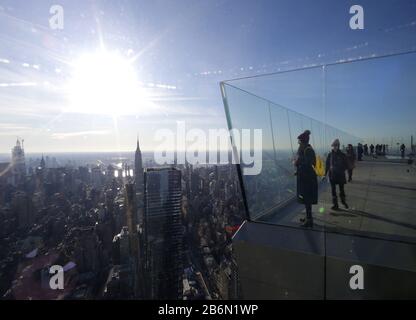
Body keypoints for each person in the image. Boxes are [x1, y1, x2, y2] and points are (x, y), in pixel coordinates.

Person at [295, 130, 318, 227]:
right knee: (306, 199)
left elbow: (308, 165)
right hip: (306, 178)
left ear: (304, 141)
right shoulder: (307, 149)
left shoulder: (307, 150)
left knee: (307, 199)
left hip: (307, 179)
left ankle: (309, 220)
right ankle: (308, 217)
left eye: (300, 141)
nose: (299, 143)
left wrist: (298, 167)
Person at [325, 139, 349, 210]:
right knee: (333, 190)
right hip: (332, 175)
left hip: (340, 175)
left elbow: (346, 165)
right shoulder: (330, 155)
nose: (334, 147)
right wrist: (325, 174)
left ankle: (343, 202)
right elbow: (327, 165)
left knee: (341, 190)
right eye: (333, 145)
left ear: (338, 146)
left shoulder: (342, 155)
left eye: (336, 145)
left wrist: (340, 168)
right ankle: (335, 204)